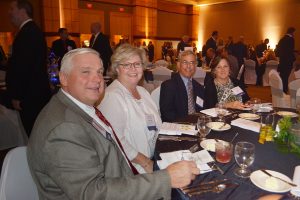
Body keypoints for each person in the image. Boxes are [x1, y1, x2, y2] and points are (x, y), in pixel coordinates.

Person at [27, 48, 199, 199]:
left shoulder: (81, 108)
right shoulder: (64, 129)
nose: (96, 79)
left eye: (99, 72)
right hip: (121, 182)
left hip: (127, 175)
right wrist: (164, 178)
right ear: (63, 78)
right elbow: (93, 194)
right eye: (86, 72)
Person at [98, 44, 161, 173]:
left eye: (137, 64)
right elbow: (116, 140)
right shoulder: (112, 97)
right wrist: (146, 162)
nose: (133, 68)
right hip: (131, 168)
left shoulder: (143, 91)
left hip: (153, 159)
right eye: (126, 65)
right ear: (116, 69)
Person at [5, 0, 51, 136]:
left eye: (12, 8)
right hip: (33, 96)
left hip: (30, 98)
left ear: (22, 11)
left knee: (35, 136)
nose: (9, 12)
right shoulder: (31, 31)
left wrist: (17, 96)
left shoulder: (28, 33)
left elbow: (23, 68)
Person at [160, 50, 205, 122]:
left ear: (195, 66)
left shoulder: (199, 87)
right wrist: (186, 124)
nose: (188, 66)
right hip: (177, 128)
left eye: (192, 63)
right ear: (178, 65)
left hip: (196, 126)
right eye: (185, 62)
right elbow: (167, 114)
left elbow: (202, 109)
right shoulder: (168, 86)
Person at [277, 27, 296, 94]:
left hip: (282, 61)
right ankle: (284, 91)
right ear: (292, 32)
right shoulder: (291, 39)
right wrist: (294, 58)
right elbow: (290, 51)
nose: (294, 34)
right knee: (286, 77)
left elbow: (277, 50)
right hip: (288, 61)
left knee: (282, 76)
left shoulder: (281, 39)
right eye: (294, 32)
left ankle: (280, 90)